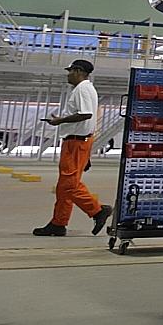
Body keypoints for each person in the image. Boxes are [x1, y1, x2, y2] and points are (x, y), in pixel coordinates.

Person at [33, 59, 112, 237]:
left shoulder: (83, 88)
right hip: (78, 142)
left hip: (76, 143)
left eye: (70, 71)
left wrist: (59, 121)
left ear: (78, 71)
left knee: (69, 185)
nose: (68, 75)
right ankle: (58, 223)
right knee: (63, 187)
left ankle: (98, 210)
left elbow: (86, 114)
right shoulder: (86, 88)